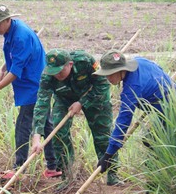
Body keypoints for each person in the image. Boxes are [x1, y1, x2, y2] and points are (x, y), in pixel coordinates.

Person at [0, 4, 59, 179]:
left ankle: (19, 168)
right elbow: (14, 58)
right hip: (31, 82)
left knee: (24, 125)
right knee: (45, 123)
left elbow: (15, 72)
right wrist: (2, 67)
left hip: (33, 84)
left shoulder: (20, 36)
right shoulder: (12, 31)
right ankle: (54, 167)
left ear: (8, 20)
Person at [30, 49, 118, 186]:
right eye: (53, 72)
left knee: (103, 135)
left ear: (70, 64)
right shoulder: (47, 76)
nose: (57, 75)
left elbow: (103, 84)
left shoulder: (85, 61)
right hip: (64, 98)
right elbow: (42, 104)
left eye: (60, 71)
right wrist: (36, 136)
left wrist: (82, 103)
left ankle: (113, 175)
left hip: (94, 96)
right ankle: (67, 176)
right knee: (59, 134)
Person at [93, 50, 176, 175]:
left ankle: (157, 177)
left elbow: (123, 121)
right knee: (151, 141)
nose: (107, 78)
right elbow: (158, 69)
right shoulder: (139, 61)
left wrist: (109, 154)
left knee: (152, 141)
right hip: (171, 94)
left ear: (121, 70)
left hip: (172, 107)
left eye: (110, 74)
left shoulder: (132, 88)